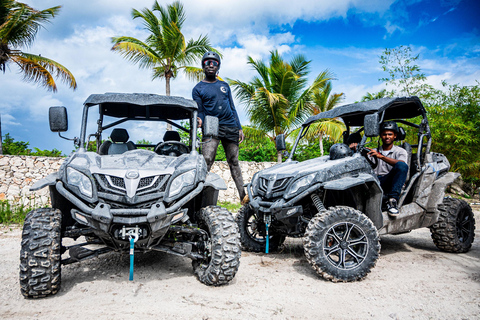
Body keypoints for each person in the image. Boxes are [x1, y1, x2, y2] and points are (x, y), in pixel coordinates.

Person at [192, 51, 246, 202]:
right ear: (203, 66)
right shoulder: (198, 88)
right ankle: (196, 198)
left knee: (234, 161)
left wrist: (239, 127)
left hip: (230, 125)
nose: (210, 65)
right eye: (207, 62)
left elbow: (232, 107)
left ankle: (244, 197)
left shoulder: (224, 86)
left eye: (214, 62)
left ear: (218, 67)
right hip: (211, 126)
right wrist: (199, 121)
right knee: (207, 160)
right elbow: (200, 111)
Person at [367, 121, 408, 216]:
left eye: (390, 134)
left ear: (395, 136)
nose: (387, 137)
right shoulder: (373, 151)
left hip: (390, 182)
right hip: (375, 182)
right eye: (384, 134)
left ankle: (392, 201)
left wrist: (381, 157)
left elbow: (402, 165)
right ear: (381, 135)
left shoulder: (400, 151)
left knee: (402, 166)